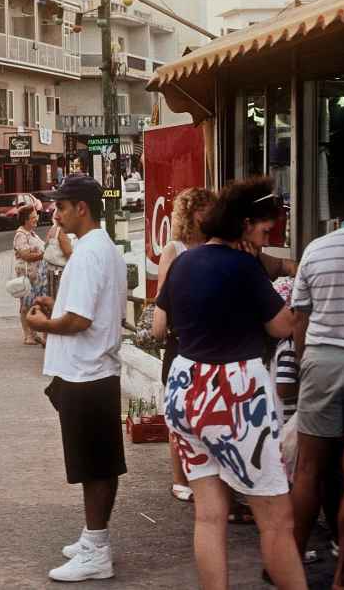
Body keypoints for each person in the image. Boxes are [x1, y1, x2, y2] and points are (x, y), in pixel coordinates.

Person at [151, 176, 306, 590]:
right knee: (275, 519)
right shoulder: (244, 266)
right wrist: (295, 301)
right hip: (235, 395)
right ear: (243, 223)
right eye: (263, 228)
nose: (267, 235)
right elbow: (279, 328)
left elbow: (158, 322)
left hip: (185, 386)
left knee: (208, 514)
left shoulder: (185, 260)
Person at [25, 175, 127, 583]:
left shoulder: (88, 254)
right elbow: (88, 306)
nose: (56, 212)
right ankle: (93, 538)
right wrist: (58, 303)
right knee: (97, 462)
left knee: (94, 465)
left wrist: (43, 322)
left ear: (81, 208)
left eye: (62, 206)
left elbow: (80, 320)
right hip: (91, 370)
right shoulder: (99, 248)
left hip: (88, 372)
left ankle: (97, 549)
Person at [291, 223, 344, 578]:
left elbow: (300, 318)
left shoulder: (317, 249)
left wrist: (302, 364)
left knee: (308, 470)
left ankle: (290, 564)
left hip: (322, 362)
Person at [155, 187, 217, 503]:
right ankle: (180, 477)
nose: (212, 215)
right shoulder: (175, 248)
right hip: (181, 338)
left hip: (210, 338)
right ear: (193, 214)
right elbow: (163, 295)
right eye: (206, 209)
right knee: (178, 411)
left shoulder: (218, 246)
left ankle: (206, 474)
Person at [13, 204, 47, 346]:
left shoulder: (32, 233)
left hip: (36, 275)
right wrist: (44, 255)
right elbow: (25, 255)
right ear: (26, 219)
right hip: (26, 274)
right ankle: (28, 335)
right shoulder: (21, 234)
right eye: (33, 217)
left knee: (35, 303)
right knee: (26, 304)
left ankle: (34, 332)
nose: (36, 218)